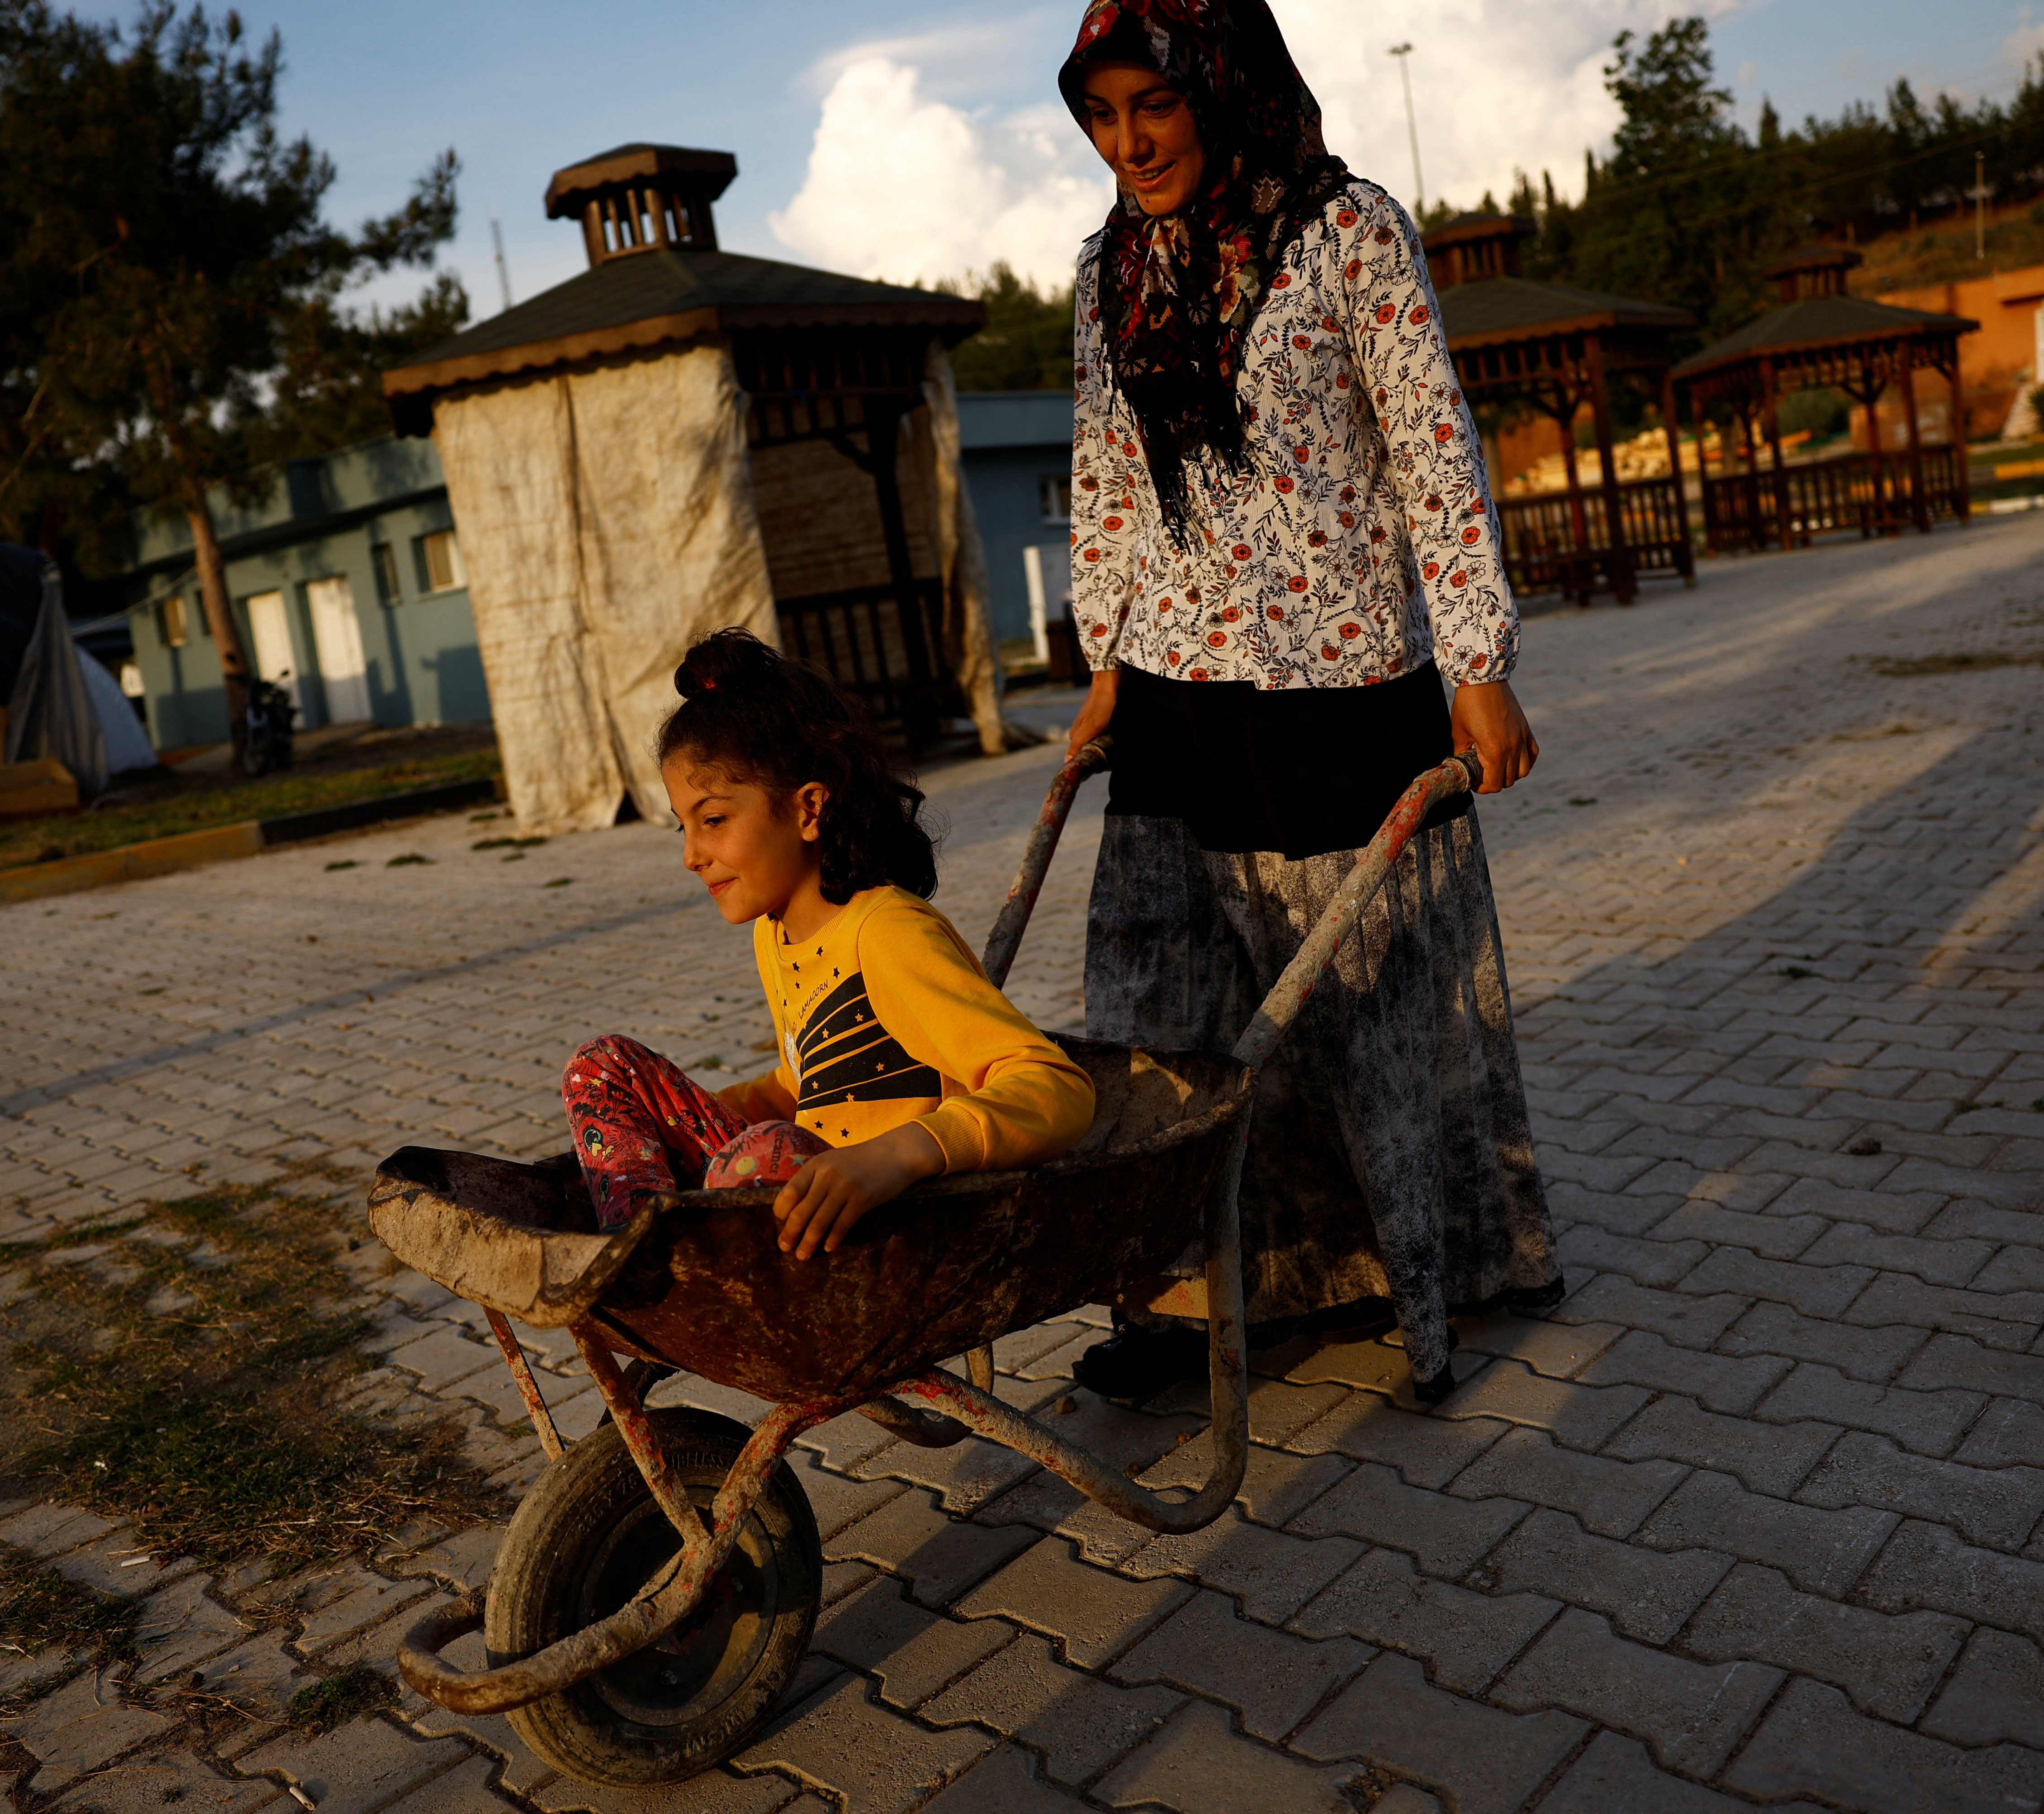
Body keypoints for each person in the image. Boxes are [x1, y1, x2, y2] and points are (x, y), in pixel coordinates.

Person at [1055, 0, 1561, 1403]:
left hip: (1337, 687)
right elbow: (1104, 483)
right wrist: (1106, 665)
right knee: (1170, 1021)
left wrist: (1478, 662)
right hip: (1172, 694)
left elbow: (1432, 452)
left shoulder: (1349, 233)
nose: (1130, 141)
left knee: (1359, 1016)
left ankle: (1422, 1276)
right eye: (1102, 115)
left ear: (1222, 83)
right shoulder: (1109, 272)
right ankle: (1203, 1300)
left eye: (1151, 103)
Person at [561, 630, 1097, 1255]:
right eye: (683, 827)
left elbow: (1055, 1086)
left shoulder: (888, 934)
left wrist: (900, 1153)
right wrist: (670, 1124)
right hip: (795, 1188)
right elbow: (806, 1084)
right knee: (603, 1065)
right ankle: (642, 1254)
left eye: (713, 821)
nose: (690, 856)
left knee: (767, 1153)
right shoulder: (776, 932)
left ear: (809, 809)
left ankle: (675, 1258)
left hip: (884, 1217)